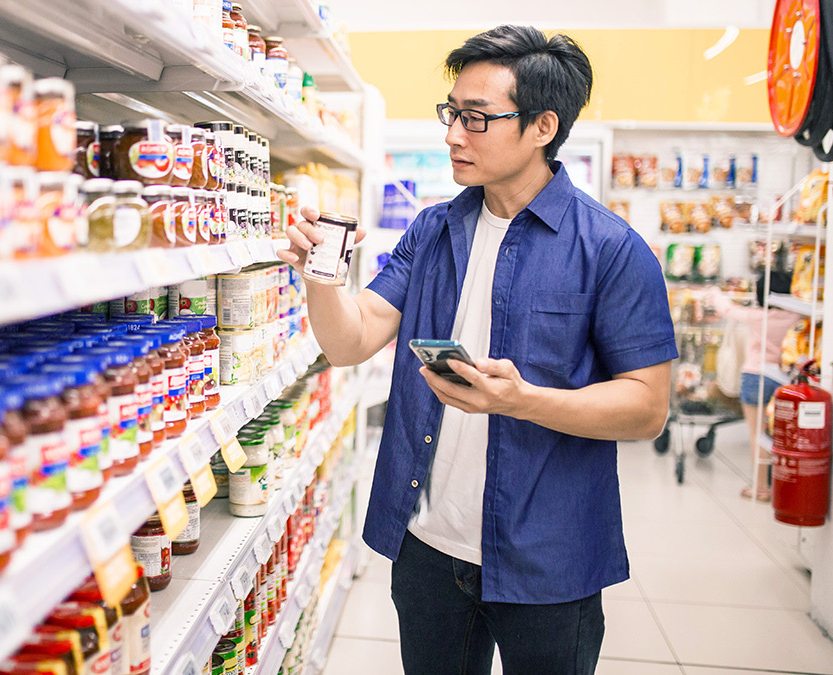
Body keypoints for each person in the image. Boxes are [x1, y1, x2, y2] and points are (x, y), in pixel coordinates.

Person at [277, 25, 676, 675]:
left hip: (548, 561)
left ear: (544, 126)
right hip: (429, 546)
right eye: (451, 113)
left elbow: (647, 406)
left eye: (476, 118)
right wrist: (320, 272)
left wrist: (521, 401)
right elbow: (350, 339)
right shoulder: (434, 230)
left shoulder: (611, 249)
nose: (453, 134)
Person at [706, 274, 801, 501]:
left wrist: (714, 293)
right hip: (785, 379)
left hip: (755, 376)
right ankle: (782, 485)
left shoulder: (758, 316)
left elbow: (728, 310)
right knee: (783, 434)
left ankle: (760, 487)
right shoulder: (796, 316)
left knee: (757, 434)